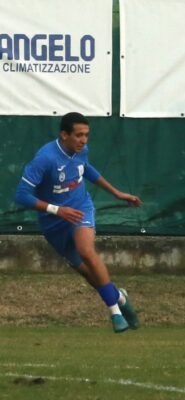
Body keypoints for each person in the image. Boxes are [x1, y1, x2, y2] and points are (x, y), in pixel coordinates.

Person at [15, 112, 142, 333]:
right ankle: (119, 297)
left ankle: (115, 313)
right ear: (64, 135)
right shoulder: (45, 158)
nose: (84, 140)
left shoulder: (81, 150)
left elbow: (86, 170)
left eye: (87, 135)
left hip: (80, 207)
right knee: (90, 274)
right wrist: (57, 210)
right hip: (53, 222)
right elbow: (22, 195)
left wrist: (116, 192)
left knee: (86, 251)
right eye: (79, 135)